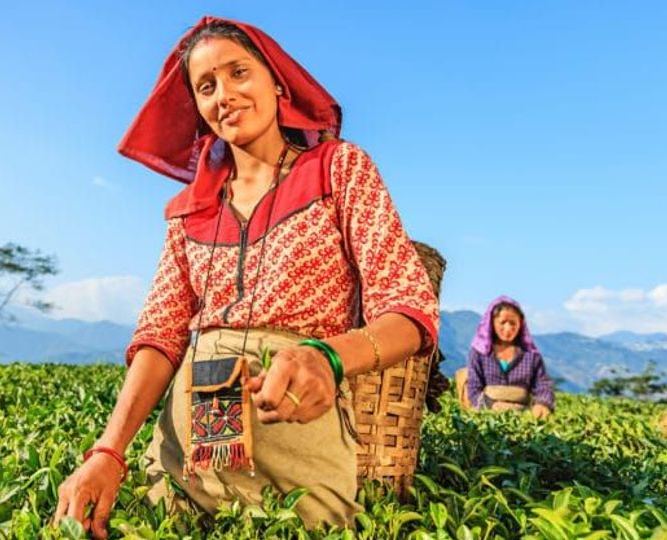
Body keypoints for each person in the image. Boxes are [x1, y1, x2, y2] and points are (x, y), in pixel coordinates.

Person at [53, 16, 439, 535]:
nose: (225, 95)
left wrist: (327, 356)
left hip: (297, 440)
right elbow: (161, 337)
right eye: (206, 86)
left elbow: (410, 309)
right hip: (186, 450)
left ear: (276, 84)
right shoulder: (187, 212)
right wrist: (108, 453)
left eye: (239, 73)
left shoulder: (338, 170)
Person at [465, 296, 554, 418]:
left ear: (520, 324)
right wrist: (491, 405)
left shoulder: (531, 356)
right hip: (486, 415)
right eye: (503, 322)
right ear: (492, 323)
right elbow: (473, 388)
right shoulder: (479, 353)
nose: (508, 328)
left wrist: (542, 404)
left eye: (513, 323)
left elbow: (542, 385)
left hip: (522, 415)